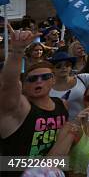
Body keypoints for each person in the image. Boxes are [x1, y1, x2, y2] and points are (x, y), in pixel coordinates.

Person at [0, 28, 69, 158]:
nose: (39, 81)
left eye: (45, 77)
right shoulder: (19, 108)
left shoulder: (62, 104)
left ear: (53, 80)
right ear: (24, 84)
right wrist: (17, 51)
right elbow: (8, 84)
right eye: (32, 79)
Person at [49, 51, 89, 119]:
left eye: (67, 65)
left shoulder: (83, 78)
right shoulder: (47, 87)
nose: (63, 68)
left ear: (71, 67)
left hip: (84, 124)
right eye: (58, 66)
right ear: (52, 69)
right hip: (61, 127)